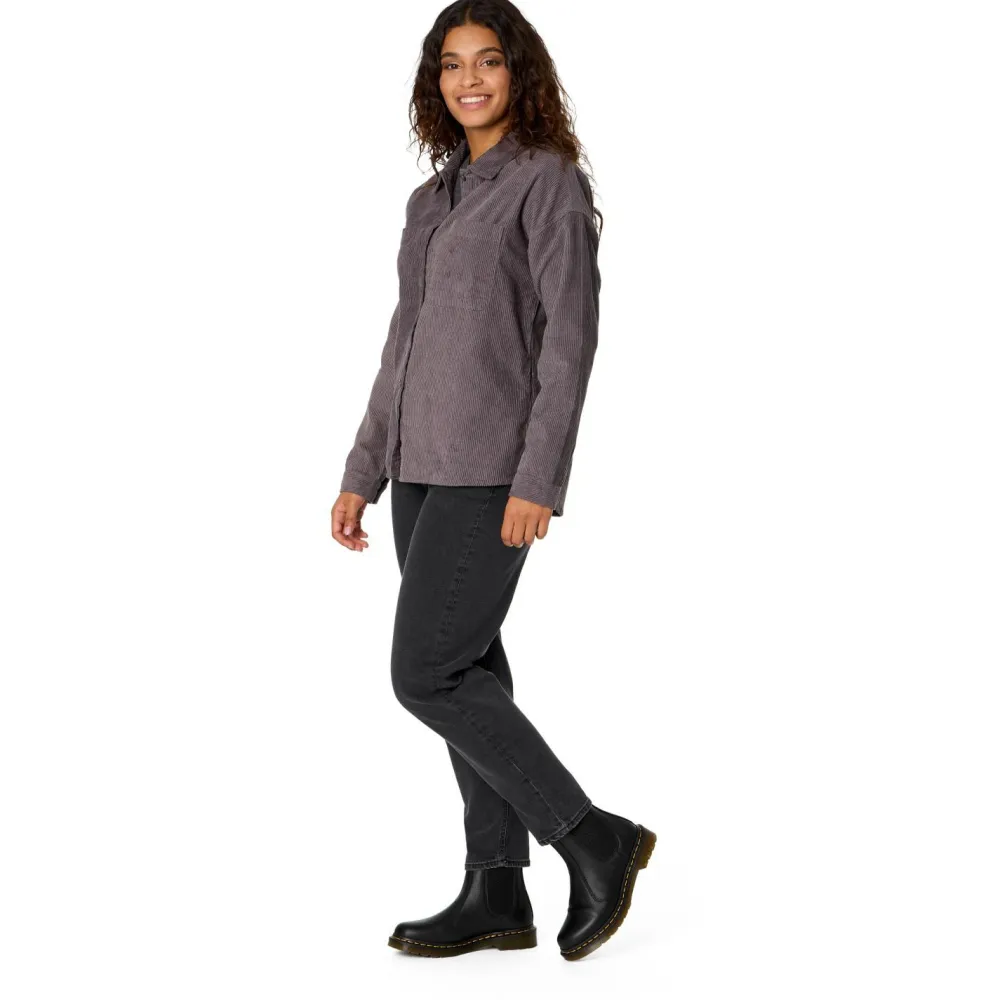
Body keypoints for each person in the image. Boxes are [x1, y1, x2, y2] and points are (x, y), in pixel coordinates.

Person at [331, 1, 655, 961]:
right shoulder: (429, 203)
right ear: (434, 82)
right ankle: (496, 888)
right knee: (468, 671)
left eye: (488, 61)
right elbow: (404, 344)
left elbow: (570, 340)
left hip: (491, 472)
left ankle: (593, 838)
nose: (468, 79)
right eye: (451, 64)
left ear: (520, 72)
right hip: (418, 471)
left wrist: (538, 477)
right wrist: (363, 468)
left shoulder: (546, 182)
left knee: (426, 673)